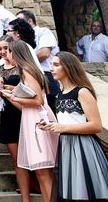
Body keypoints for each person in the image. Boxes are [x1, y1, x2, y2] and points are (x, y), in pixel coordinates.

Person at [40, 51, 108, 201]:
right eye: (51, 64)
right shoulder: (60, 94)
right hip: (66, 146)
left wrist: (63, 128)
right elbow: (69, 120)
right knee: (74, 195)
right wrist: (52, 125)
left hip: (83, 147)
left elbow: (96, 126)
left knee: (84, 194)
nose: (51, 68)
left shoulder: (82, 92)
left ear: (69, 67)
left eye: (56, 65)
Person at [0, 40, 58, 202]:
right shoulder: (26, 70)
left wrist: (13, 96)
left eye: (9, 51)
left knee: (43, 172)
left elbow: (38, 101)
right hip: (31, 117)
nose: (7, 55)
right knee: (41, 173)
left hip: (37, 121)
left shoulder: (27, 70)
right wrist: (10, 95)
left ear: (15, 53)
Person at [0, 36, 25, 195]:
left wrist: (7, 88)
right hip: (8, 114)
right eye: (0, 49)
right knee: (16, 158)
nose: (3, 52)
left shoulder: (23, 66)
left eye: (6, 48)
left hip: (23, 111)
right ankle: (23, 186)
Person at [16, 10, 59, 110]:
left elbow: (44, 53)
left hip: (46, 74)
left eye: (20, 20)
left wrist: (23, 58)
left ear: (30, 21)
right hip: (30, 76)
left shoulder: (44, 32)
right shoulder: (21, 38)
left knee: (48, 108)